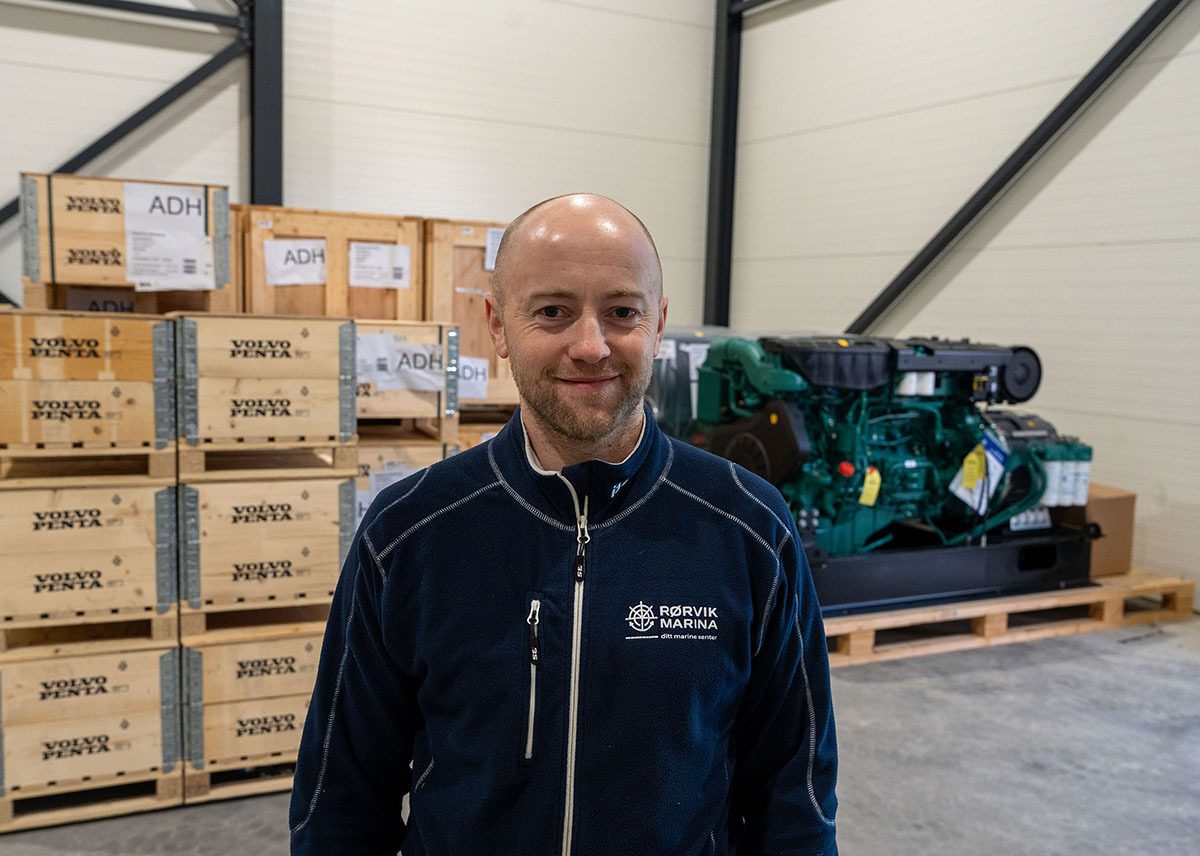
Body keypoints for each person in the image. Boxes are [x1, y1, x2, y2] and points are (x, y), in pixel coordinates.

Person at [289, 194, 838, 855]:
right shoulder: (408, 532)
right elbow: (340, 798)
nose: (590, 346)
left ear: (658, 325)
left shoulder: (750, 529)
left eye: (622, 312)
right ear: (498, 326)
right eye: (552, 312)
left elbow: (795, 798)